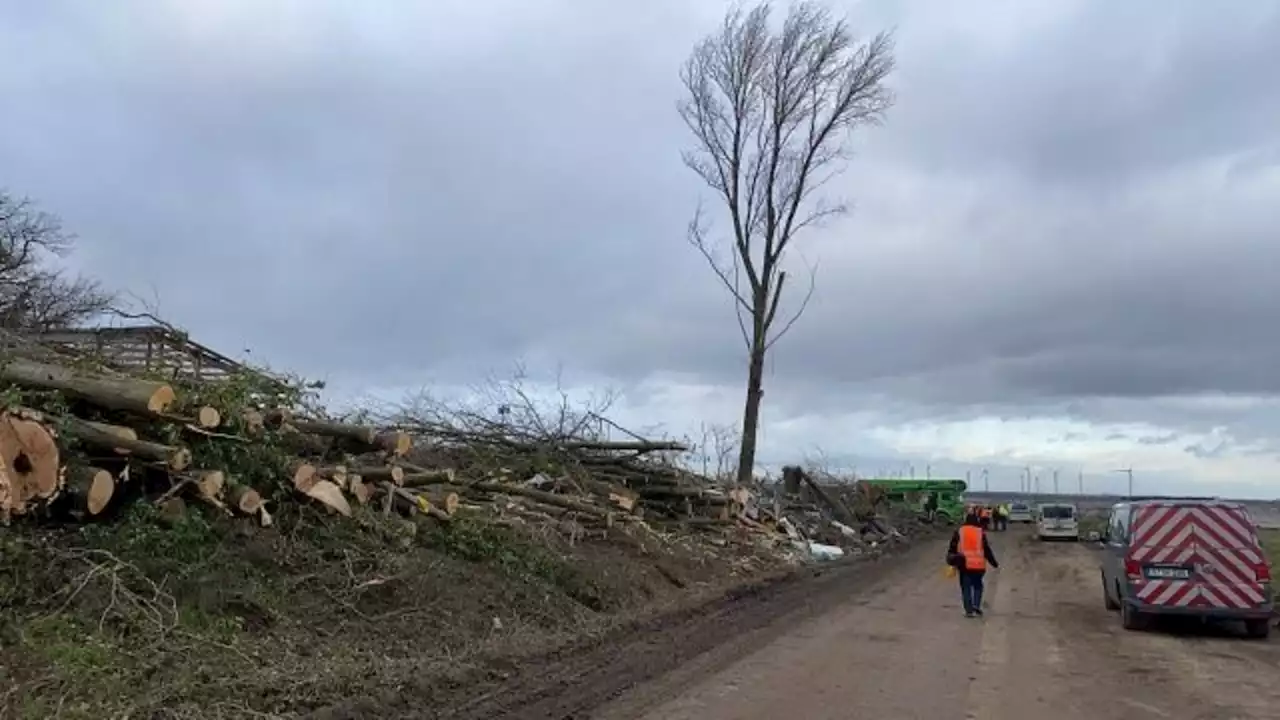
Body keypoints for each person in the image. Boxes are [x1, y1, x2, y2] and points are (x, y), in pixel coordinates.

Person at [947, 512, 999, 617]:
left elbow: (952, 548)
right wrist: (994, 563)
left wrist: (951, 560)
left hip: (964, 565)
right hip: (979, 566)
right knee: (978, 586)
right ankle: (976, 605)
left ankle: (969, 610)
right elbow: (986, 550)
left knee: (966, 587)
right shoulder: (980, 532)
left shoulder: (959, 532)